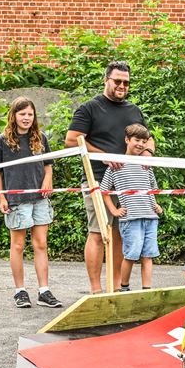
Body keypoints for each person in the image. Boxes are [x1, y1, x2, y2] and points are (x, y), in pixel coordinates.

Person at [65, 62, 147, 293]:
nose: (122, 86)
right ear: (106, 80)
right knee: (98, 233)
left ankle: (115, 287)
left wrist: (148, 152)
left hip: (127, 182)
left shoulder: (134, 111)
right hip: (98, 181)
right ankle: (96, 290)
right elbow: (71, 140)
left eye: (126, 82)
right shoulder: (89, 109)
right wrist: (104, 156)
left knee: (120, 233)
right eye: (117, 81)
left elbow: (146, 138)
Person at [0, 97, 61, 309]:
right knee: (18, 245)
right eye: (22, 114)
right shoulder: (3, 141)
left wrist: (48, 180)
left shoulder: (40, 138)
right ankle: (20, 291)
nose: (26, 118)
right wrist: (2, 198)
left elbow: (48, 166)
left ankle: (44, 291)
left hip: (39, 199)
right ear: (13, 115)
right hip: (16, 200)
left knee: (41, 244)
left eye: (30, 114)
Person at [101, 123, 163, 291]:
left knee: (148, 255)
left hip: (151, 218)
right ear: (127, 140)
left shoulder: (146, 165)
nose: (141, 144)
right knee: (131, 255)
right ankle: (124, 287)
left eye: (144, 141)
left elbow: (151, 189)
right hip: (131, 219)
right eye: (137, 140)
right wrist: (114, 210)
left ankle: (147, 290)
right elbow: (104, 191)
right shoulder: (116, 165)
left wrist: (155, 205)